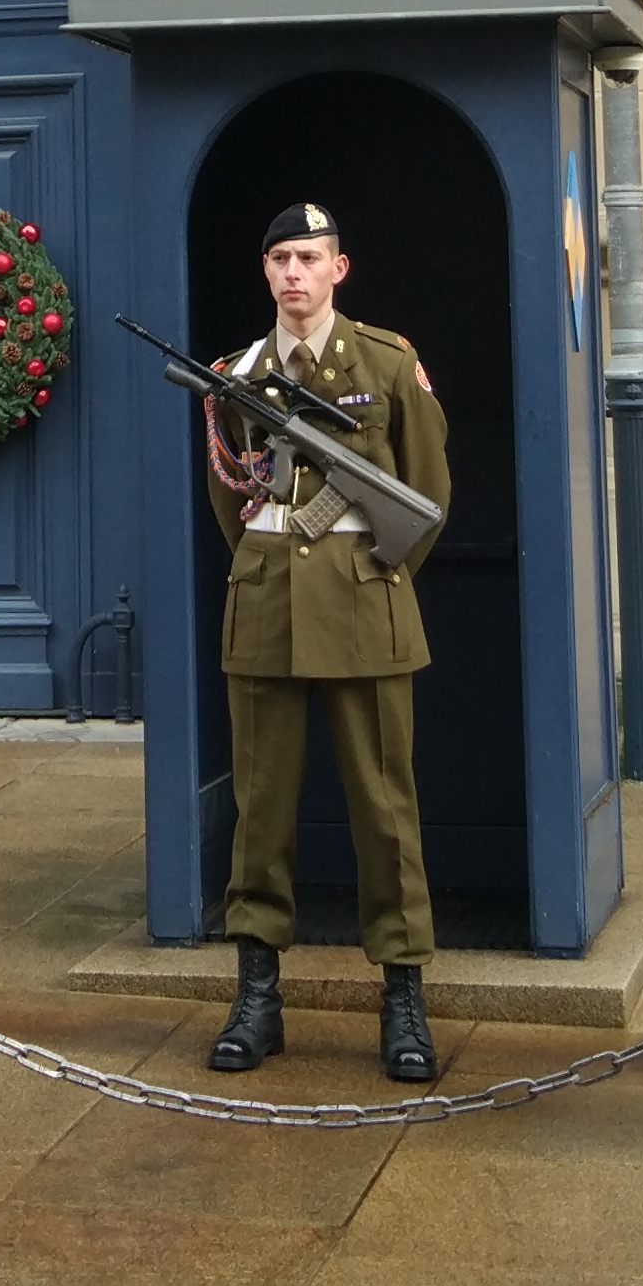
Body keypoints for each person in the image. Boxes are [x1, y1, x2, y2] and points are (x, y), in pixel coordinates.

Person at [198, 201, 452, 1081]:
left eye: (308, 258)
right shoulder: (237, 374)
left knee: (384, 811)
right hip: (268, 607)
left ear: (338, 268)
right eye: (279, 259)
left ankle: (404, 999)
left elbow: (425, 495)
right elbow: (231, 503)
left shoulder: (386, 363)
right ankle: (257, 997)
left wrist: (369, 577)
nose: (293, 274)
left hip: (363, 606)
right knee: (260, 812)